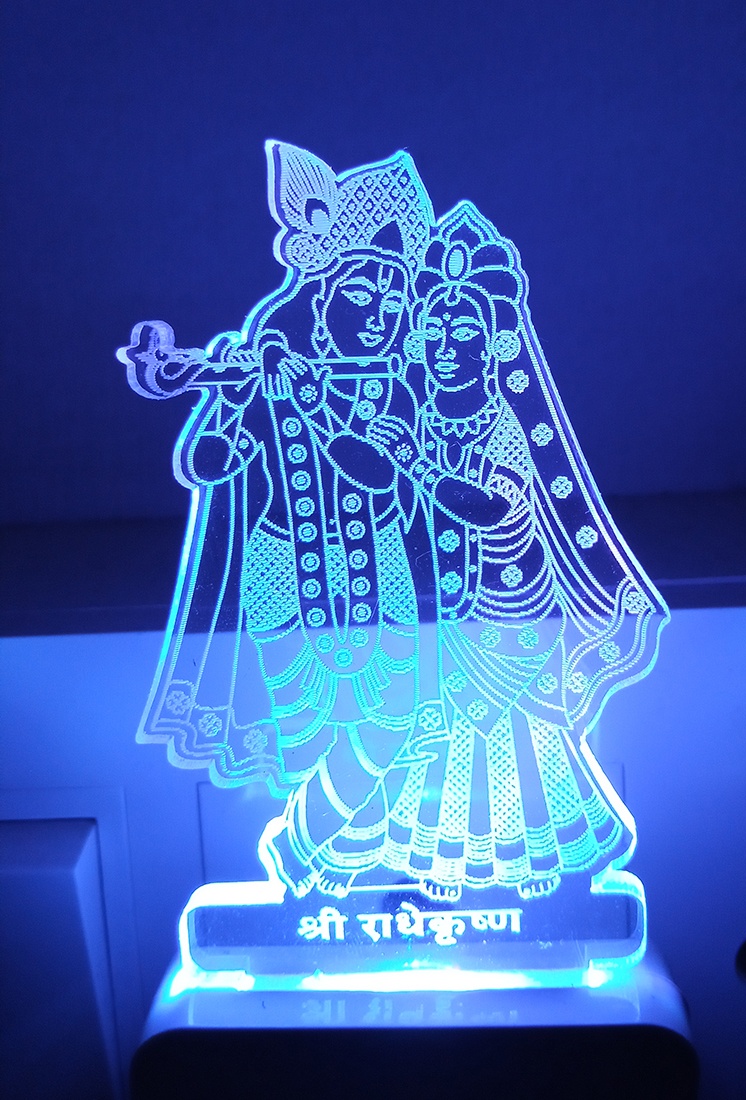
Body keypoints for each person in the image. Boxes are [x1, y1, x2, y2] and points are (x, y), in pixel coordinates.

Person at [119, 144, 438, 898]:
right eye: (360, 295)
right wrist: (228, 394)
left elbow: (373, 470)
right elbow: (203, 463)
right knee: (306, 735)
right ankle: (334, 884)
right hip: (282, 572)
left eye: (393, 302)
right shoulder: (263, 378)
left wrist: (307, 398)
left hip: (380, 567)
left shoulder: (394, 388)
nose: (378, 317)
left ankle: (304, 854)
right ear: (320, 299)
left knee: (393, 726)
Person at [365, 203, 669, 902]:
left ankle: (530, 861)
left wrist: (414, 463)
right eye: (433, 330)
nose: (446, 346)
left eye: (464, 333)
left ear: (493, 347)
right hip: (438, 610)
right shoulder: (417, 413)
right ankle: (448, 863)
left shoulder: (503, 420)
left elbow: (494, 506)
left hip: (508, 611)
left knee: (514, 742)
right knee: (442, 744)